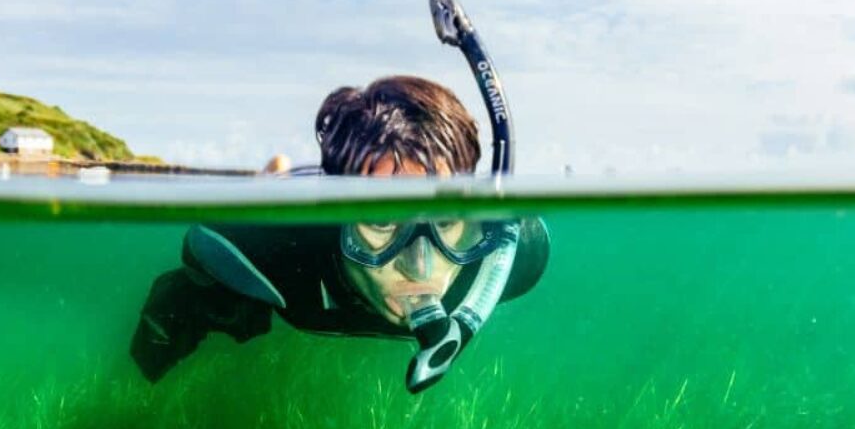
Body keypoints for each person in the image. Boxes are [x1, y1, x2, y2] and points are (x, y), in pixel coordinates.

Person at [129, 75, 550, 390]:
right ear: (338, 215)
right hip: (277, 256)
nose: (420, 265)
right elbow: (201, 244)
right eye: (383, 220)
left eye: (443, 221)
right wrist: (254, 203)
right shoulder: (267, 243)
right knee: (210, 310)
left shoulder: (515, 255)